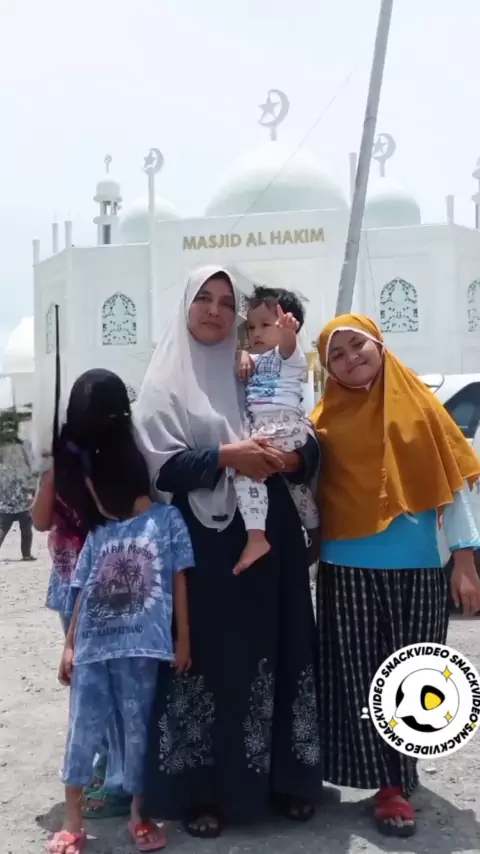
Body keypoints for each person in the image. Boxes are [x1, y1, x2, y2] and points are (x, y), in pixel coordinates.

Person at [135, 265, 322, 839]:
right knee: (215, 659)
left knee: (281, 646)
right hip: (208, 545)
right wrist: (226, 456)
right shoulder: (164, 383)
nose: (215, 310)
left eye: (225, 301)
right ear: (186, 306)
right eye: (204, 299)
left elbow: (303, 433)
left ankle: (287, 781)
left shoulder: (252, 367)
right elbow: (163, 468)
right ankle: (203, 792)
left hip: (273, 535)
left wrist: (293, 458)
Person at [310, 313, 480, 839]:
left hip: (419, 567)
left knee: (415, 675)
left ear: (379, 344)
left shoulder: (423, 408)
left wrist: (465, 563)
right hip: (347, 568)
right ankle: (387, 784)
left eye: (356, 345)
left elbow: (453, 487)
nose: (350, 359)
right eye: (336, 355)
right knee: (361, 678)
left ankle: (401, 775)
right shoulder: (321, 421)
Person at [48, 376, 193, 854]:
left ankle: (139, 813)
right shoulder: (99, 534)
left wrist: (183, 638)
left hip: (143, 649)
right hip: (93, 649)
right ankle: (72, 819)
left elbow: (179, 579)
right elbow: (82, 590)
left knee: (137, 730)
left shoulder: (167, 522)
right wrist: (69, 645)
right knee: (83, 727)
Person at [32, 370, 133, 819]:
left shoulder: (121, 455)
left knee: (108, 683)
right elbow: (40, 521)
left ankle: (118, 780)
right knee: (92, 682)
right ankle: (106, 767)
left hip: (110, 583)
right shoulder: (66, 457)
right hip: (71, 580)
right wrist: (50, 473)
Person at [233, 286, 319, 573]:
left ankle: (256, 537)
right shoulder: (253, 359)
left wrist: (288, 332)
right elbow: (239, 360)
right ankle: (315, 530)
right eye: (251, 327)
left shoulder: (288, 357)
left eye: (265, 325)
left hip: (286, 426)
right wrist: (240, 354)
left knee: (245, 470)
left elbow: (288, 345)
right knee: (295, 487)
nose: (256, 333)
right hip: (266, 430)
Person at [0, 410, 36, 561]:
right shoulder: (23, 445)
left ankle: (26, 554)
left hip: (7, 492)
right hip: (22, 491)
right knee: (25, 527)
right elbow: (30, 465)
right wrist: (32, 487)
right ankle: (26, 554)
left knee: (4, 525)